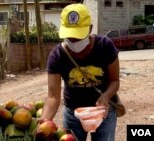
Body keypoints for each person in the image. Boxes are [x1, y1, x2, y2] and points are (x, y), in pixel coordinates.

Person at [38, 3, 119, 141]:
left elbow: (114, 81)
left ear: (90, 29)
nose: (74, 41)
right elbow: (53, 97)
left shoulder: (105, 46)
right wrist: (42, 125)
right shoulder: (57, 56)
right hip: (73, 115)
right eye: (70, 37)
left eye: (78, 37)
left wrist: (105, 96)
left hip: (103, 114)